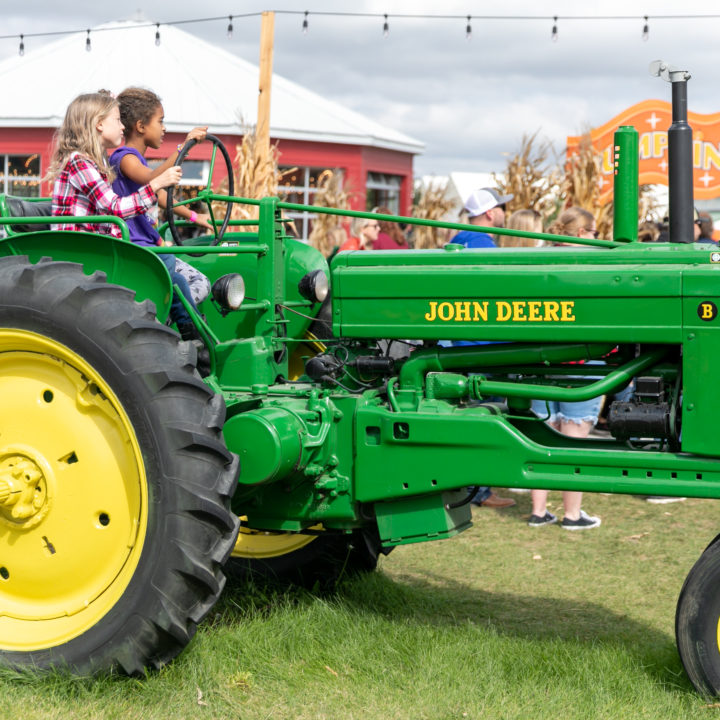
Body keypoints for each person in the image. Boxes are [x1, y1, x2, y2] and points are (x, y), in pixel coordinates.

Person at [527, 207, 601, 530]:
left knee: (542, 440)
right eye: (596, 234)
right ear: (583, 234)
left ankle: (538, 511)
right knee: (574, 440)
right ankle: (571, 515)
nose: (599, 240)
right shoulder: (590, 264)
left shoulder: (539, 260)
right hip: (579, 362)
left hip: (540, 362)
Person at [110, 87, 211, 315]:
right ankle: (172, 316)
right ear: (141, 126)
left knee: (198, 282)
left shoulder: (137, 159)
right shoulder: (124, 158)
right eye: (160, 121)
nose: (164, 128)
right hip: (137, 247)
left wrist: (196, 216)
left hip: (152, 244)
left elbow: (161, 196)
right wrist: (182, 148)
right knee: (191, 284)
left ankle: (177, 317)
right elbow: (151, 180)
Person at [50, 91, 181, 239]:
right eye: (117, 120)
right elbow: (114, 208)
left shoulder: (97, 162)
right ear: (99, 124)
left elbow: (109, 220)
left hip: (95, 242)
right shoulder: (79, 163)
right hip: (76, 246)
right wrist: (156, 184)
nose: (123, 127)